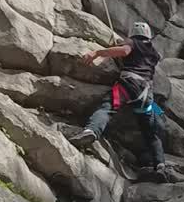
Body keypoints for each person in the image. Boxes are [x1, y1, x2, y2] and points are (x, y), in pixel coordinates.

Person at [70, 21, 170, 181]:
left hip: (127, 84)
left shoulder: (132, 42)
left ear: (132, 34)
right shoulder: (154, 53)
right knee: (150, 133)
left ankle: (91, 131)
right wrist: (159, 111)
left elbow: (124, 51)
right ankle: (160, 166)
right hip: (145, 94)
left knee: (107, 107)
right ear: (148, 35)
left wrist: (97, 53)